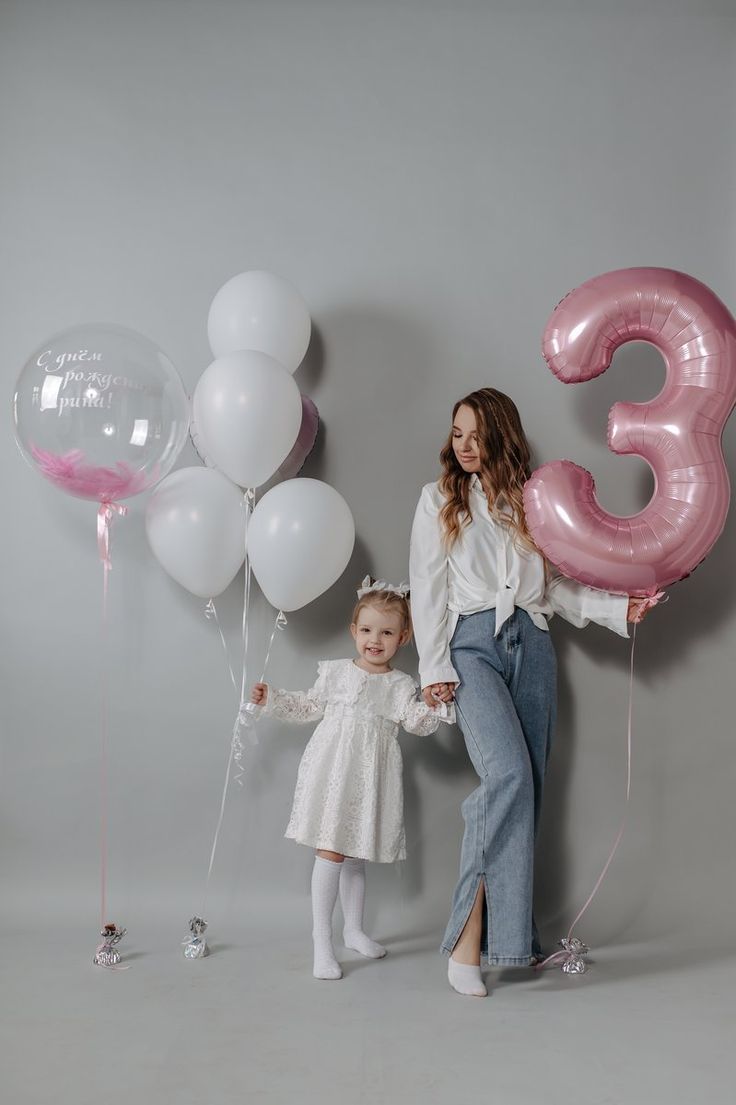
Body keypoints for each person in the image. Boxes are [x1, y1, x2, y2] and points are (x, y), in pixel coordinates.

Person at [409, 388, 654, 997]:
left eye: (475, 434)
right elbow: (427, 585)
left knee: (529, 790)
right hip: (471, 645)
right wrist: (434, 663)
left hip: (533, 645)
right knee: (508, 778)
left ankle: (511, 945)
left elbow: (557, 590)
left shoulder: (532, 502)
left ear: (501, 434)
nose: (464, 446)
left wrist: (619, 607)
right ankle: (466, 942)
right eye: (456, 433)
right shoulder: (438, 499)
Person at [251, 577, 455, 981]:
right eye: (366, 630)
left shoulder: (401, 685)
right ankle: (321, 941)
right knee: (331, 851)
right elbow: (306, 706)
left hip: (371, 776)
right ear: (353, 632)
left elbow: (417, 724)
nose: (374, 640)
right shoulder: (336, 673)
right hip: (333, 771)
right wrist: (272, 698)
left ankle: (354, 930)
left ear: (404, 637)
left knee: (356, 855)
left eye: (386, 632)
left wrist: (433, 703)